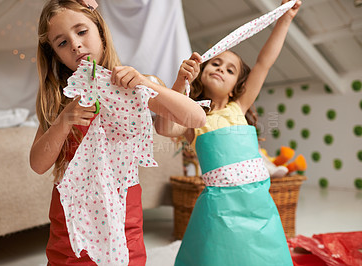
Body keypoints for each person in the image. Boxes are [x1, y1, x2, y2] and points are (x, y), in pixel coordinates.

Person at [29, 0, 206, 265]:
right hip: (72, 218)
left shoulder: (133, 83)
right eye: (62, 42)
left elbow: (196, 117)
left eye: (82, 31)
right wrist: (64, 121)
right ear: (54, 54)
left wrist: (146, 83)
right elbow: (38, 164)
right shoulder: (61, 100)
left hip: (123, 210)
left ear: (100, 32)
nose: (75, 44)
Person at [155, 1, 302, 265]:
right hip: (218, 206)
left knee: (261, 252)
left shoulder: (239, 106)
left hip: (257, 200)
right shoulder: (192, 118)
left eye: (230, 69)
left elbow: (264, 63)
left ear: (236, 88)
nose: (221, 68)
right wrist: (180, 82)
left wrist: (285, 19)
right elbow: (164, 127)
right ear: (203, 73)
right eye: (216, 63)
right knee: (217, 253)